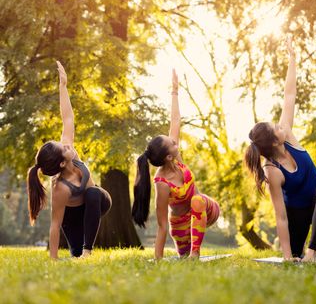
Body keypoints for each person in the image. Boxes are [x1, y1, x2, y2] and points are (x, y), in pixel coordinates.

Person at [244, 37, 316, 262]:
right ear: (274, 141)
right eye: (276, 127)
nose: (281, 125)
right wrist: (287, 257)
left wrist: (293, 60)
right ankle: (298, 253)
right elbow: (281, 216)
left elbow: (289, 96)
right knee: (293, 255)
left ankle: (312, 253)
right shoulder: (272, 170)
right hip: (296, 214)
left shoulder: (288, 138)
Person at [26, 61, 112, 259]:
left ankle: (88, 251)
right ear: (62, 163)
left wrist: (62, 87)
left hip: (97, 202)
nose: (67, 145)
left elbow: (68, 118)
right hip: (72, 218)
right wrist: (54, 259)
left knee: (93, 193)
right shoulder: (60, 189)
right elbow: (55, 225)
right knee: (75, 255)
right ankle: (80, 252)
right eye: (63, 148)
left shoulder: (69, 150)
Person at [132, 68, 220, 260]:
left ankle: (195, 253)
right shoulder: (162, 183)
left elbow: (175, 121)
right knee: (182, 257)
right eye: (172, 143)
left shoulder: (177, 159)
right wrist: (157, 260)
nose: (175, 142)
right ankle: (189, 252)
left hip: (205, 209)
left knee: (197, 200)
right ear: (168, 157)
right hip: (180, 226)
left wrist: (174, 91)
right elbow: (163, 224)